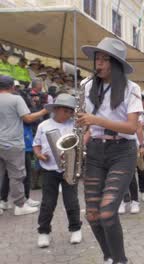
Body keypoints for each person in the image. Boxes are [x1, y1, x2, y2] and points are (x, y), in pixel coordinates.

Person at [77, 37, 143, 264]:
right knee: (92, 215)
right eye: (98, 58)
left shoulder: (132, 88)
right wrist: (80, 142)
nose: (99, 63)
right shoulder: (86, 86)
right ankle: (109, 257)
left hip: (122, 151)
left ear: (116, 64)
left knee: (107, 212)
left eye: (105, 59)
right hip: (95, 150)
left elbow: (132, 127)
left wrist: (97, 120)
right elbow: (88, 125)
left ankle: (121, 260)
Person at [33, 93, 82, 248]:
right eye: (66, 110)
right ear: (56, 109)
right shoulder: (43, 125)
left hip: (70, 168)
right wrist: (39, 155)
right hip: (49, 170)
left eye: (70, 111)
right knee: (48, 203)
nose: (68, 114)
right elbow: (36, 144)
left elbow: (83, 140)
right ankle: (43, 232)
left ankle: (75, 229)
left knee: (71, 201)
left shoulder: (74, 125)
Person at [0, 75, 49, 216]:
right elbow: (27, 118)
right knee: (17, 176)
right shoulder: (16, 99)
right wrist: (44, 111)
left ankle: (2, 202)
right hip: (13, 143)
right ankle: (20, 205)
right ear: (12, 87)